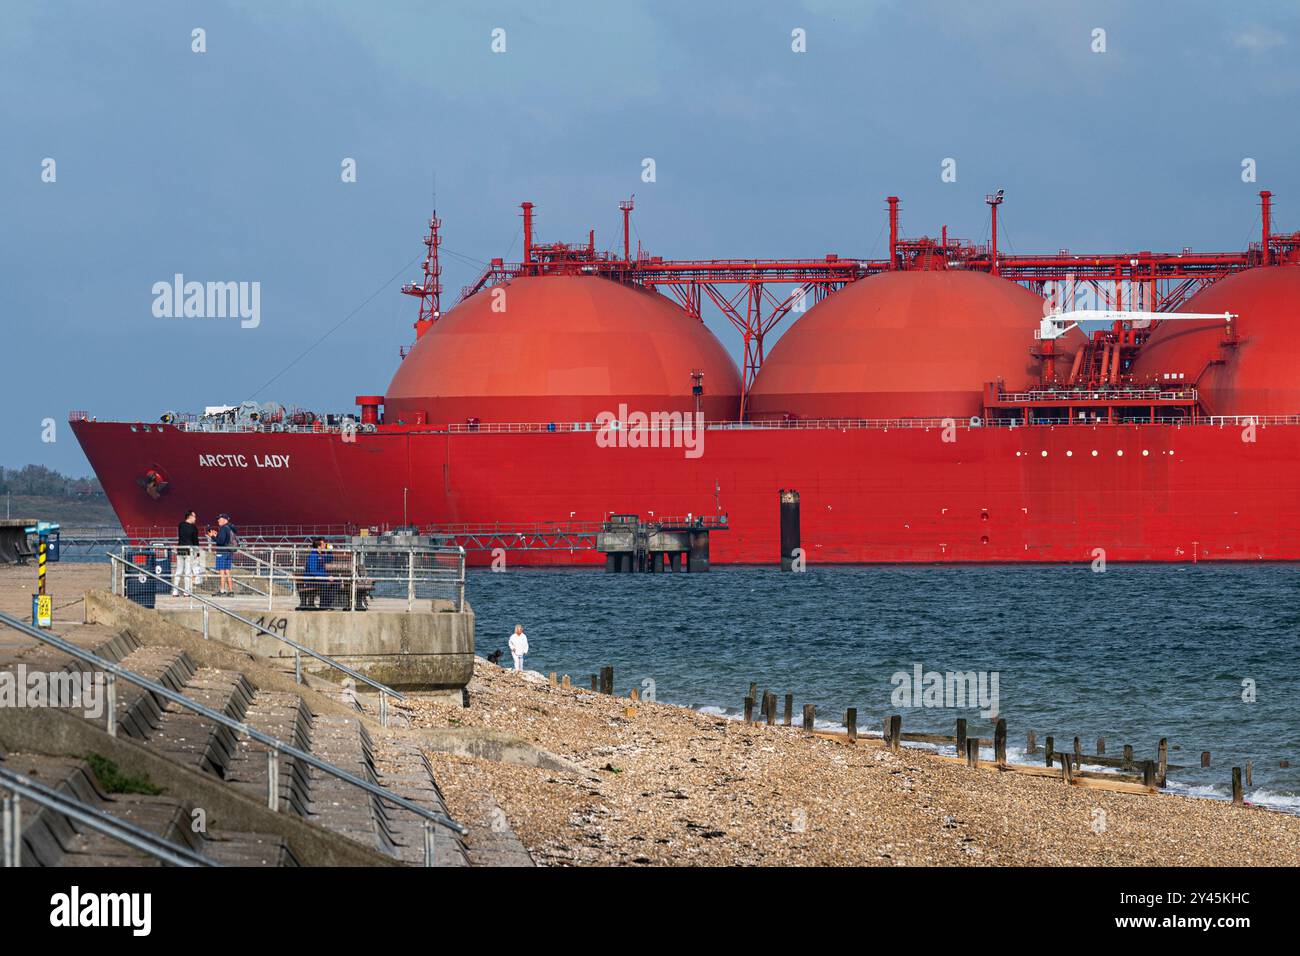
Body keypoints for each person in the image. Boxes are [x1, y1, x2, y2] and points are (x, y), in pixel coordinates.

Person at [207, 513, 237, 596]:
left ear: (224, 520)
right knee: (227, 572)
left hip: (222, 552)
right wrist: (217, 535)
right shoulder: (230, 528)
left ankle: (222, 590)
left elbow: (220, 542)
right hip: (229, 552)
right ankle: (231, 591)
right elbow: (225, 539)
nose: (218, 520)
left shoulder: (223, 528)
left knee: (222, 572)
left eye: (219, 519)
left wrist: (212, 536)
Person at [174, 510, 201, 595]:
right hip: (189, 549)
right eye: (194, 516)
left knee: (178, 570)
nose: (195, 518)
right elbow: (195, 541)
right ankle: (186, 591)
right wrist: (197, 553)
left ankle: (175, 591)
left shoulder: (181, 525)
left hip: (181, 548)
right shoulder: (194, 527)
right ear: (190, 516)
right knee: (187, 571)